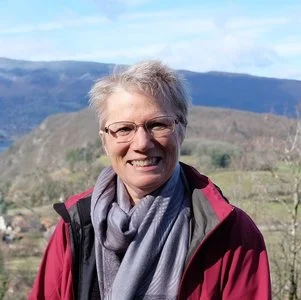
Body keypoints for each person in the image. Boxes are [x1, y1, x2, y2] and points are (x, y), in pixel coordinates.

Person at [29, 60, 271, 300]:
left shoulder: (231, 233)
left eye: (157, 125)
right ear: (105, 141)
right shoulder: (76, 225)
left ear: (181, 130)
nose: (142, 143)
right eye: (124, 129)